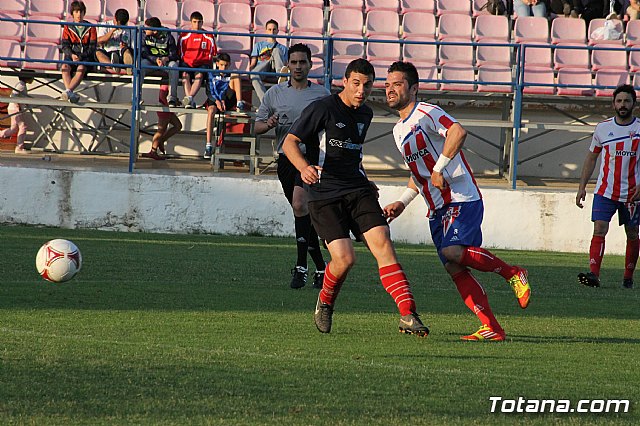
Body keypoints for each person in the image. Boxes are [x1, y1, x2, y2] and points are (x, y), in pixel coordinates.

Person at [382, 61, 531, 342]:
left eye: (397, 84)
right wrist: (402, 202)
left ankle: (513, 272)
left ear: (413, 89)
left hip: (461, 198)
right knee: (454, 267)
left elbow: (458, 132)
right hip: (436, 208)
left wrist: (440, 167)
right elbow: (419, 174)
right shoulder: (398, 130)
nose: (390, 89)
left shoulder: (427, 111)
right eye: (388, 84)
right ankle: (492, 328)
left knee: (453, 252)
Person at [282, 58, 429, 337]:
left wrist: (365, 178)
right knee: (345, 259)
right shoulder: (322, 108)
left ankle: (408, 313)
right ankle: (325, 303)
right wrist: (303, 167)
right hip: (324, 193)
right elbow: (290, 142)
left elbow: (353, 153)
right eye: (356, 83)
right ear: (345, 82)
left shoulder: (365, 114)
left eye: (368, 85)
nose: (362, 90)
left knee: (383, 242)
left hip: (357, 189)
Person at [254, 43, 329, 289]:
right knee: (302, 215)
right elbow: (257, 127)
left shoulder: (322, 95)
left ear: (310, 65)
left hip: (310, 159)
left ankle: (300, 267)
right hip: (285, 160)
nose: (298, 67)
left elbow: (334, 125)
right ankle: (321, 267)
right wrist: (270, 123)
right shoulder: (275, 94)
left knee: (299, 205)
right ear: (288, 65)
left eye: (302, 62)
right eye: (294, 62)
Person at [576, 84, 640, 289]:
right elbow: (591, 158)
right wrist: (582, 186)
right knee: (599, 228)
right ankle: (594, 274)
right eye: (619, 101)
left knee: (632, 232)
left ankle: (628, 277)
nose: (623, 105)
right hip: (605, 190)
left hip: (632, 192)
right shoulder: (603, 128)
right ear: (613, 104)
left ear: (634, 104)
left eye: (627, 101)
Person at [203, 52, 244, 159]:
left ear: (229, 64)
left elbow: (227, 89)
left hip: (227, 98)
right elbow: (210, 90)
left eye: (226, 65)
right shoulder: (211, 73)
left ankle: (240, 102)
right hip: (214, 98)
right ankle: (208, 145)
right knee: (211, 111)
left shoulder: (230, 74)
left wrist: (223, 99)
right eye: (221, 65)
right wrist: (217, 100)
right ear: (217, 64)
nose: (223, 68)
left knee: (236, 75)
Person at [60, 1, 97, 103]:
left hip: (85, 57)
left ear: (84, 13)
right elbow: (65, 45)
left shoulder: (91, 27)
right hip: (71, 55)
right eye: (76, 12)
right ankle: (70, 93)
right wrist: (72, 55)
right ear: (72, 13)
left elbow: (92, 47)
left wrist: (81, 56)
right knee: (64, 67)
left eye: (81, 12)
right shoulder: (68, 27)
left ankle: (68, 91)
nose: (79, 15)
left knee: (81, 68)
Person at [179, 11, 217, 109]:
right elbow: (181, 53)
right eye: (195, 22)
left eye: (199, 22)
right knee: (185, 75)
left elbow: (213, 54)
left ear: (202, 23)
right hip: (188, 63)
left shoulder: (208, 36)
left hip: (202, 63)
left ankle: (189, 99)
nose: (197, 24)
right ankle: (189, 100)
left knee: (199, 75)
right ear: (191, 22)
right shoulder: (184, 36)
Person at [141, 17, 180, 107]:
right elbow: (143, 52)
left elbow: (174, 54)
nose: (145, 29)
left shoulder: (168, 37)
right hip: (151, 61)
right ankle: (136, 97)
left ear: (155, 31)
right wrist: (155, 59)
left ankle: (172, 99)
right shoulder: (144, 35)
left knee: (174, 66)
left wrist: (166, 58)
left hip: (165, 62)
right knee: (140, 65)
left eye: (147, 28)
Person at [249, 19, 288, 105]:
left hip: (275, 70)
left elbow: (285, 65)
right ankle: (265, 103)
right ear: (266, 31)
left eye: (274, 29)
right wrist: (249, 71)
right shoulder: (258, 45)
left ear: (277, 31)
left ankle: (280, 76)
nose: (272, 32)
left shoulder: (283, 48)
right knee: (253, 74)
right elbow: (253, 62)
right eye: (270, 29)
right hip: (262, 69)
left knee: (276, 51)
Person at [141, 84, 182, 160]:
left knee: (178, 126)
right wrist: (169, 105)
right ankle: (153, 151)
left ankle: (161, 140)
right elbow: (162, 96)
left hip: (167, 109)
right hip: (164, 108)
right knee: (161, 131)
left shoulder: (170, 83)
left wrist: (175, 101)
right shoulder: (166, 83)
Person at [0, 71, 35, 153]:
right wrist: (18, 104)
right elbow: (14, 95)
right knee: (23, 126)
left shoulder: (22, 85)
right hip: (15, 107)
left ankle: (1, 134)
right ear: (27, 78)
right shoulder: (21, 85)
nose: (33, 79)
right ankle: (19, 147)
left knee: (14, 129)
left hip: (13, 107)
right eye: (32, 77)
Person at [95, 8, 134, 75]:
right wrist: (112, 31)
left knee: (127, 51)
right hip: (107, 52)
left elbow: (132, 46)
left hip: (121, 52)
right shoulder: (105, 25)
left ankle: (128, 67)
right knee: (98, 53)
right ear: (115, 18)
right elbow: (99, 40)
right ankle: (113, 66)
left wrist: (125, 46)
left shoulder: (129, 29)